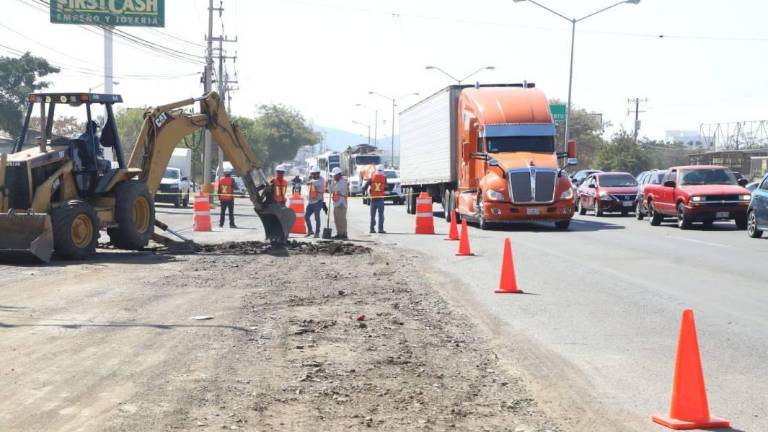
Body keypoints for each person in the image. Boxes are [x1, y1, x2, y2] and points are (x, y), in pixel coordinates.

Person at [362, 164, 388, 233]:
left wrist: (363, 192)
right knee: (381, 215)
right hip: (380, 199)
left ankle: (372, 229)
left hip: (373, 200)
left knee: (372, 215)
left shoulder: (372, 178)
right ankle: (380, 229)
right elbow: (386, 187)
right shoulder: (384, 178)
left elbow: (365, 186)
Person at [304, 166, 325, 238]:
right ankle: (310, 231)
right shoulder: (312, 180)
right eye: (313, 174)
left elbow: (315, 183)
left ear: (318, 173)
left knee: (317, 218)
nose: (314, 175)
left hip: (318, 202)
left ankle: (317, 233)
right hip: (310, 202)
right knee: (306, 217)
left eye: (315, 174)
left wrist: (310, 181)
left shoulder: (321, 180)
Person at [329, 167, 348, 239]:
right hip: (336, 203)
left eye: (335, 175)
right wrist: (330, 183)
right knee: (336, 219)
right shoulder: (335, 181)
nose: (333, 177)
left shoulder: (343, 182)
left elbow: (335, 189)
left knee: (342, 219)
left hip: (342, 203)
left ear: (339, 175)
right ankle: (339, 233)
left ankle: (344, 234)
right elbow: (330, 190)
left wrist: (331, 183)